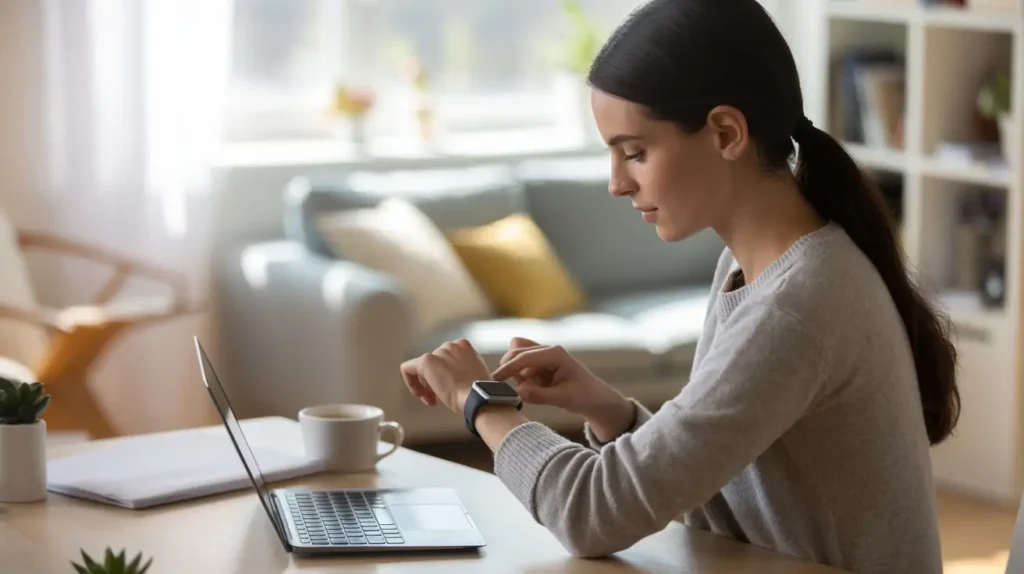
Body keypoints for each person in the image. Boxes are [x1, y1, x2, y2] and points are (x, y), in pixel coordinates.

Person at [398, 0, 960, 572]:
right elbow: (719, 483)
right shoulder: (751, 268)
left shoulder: (799, 304)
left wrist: (480, 402)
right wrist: (607, 408)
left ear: (725, 132)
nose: (617, 183)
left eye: (635, 152)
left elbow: (592, 514)